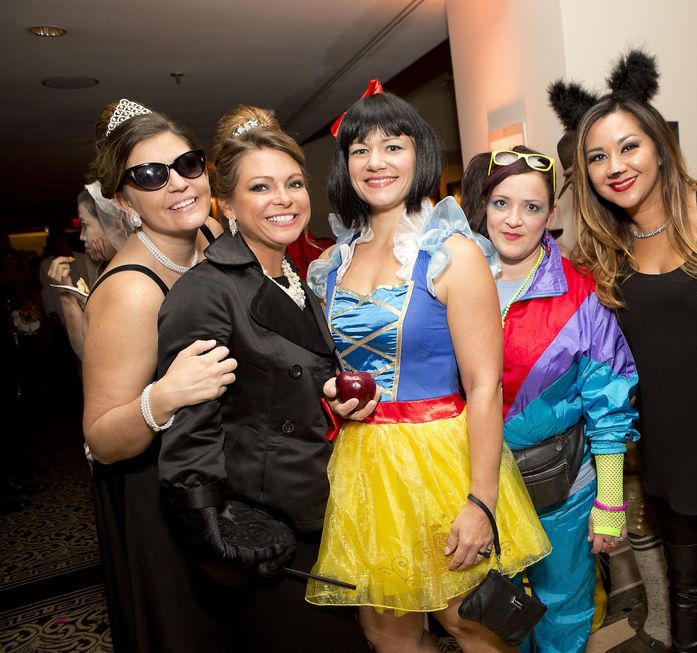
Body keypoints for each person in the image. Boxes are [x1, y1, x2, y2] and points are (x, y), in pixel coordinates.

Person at [304, 89, 550, 652]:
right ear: (345, 164)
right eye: (360, 150)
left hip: (442, 458)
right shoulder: (333, 262)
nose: (376, 162)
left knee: (472, 623)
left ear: (420, 157)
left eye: (394, 146)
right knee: (385, 632)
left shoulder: (452, 252)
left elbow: (486, 385)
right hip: (365, 466)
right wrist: (335, 394)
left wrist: (481, 501)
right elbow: (340, 364)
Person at [154, 106, 368, 651]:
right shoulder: (206, 292)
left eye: (294, 183)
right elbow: (191, 427)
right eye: (261, 187)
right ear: (226, 203)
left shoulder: (295, 276)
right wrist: (213, 532)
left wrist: (331, 397)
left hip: (325, 505)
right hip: (267, 528)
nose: (285, 199)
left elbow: (282, 379)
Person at [565, 49, 697, 653]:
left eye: (628, 147)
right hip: (672, 458)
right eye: (597, 156)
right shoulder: (604, 257)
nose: (615, 166)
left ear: (658, 144)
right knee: (688, 593)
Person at [461, 145, 639, 652]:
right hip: (472, 487)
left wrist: (608, 501)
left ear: (550, 215)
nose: (514, 220)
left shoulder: (580, 295)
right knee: (486, 613)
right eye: (501, 203)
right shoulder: (448, 282)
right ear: (481, 205)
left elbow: (610, 407)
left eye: (531, 207)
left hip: (560, 490)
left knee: (563, 606)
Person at [82, 98, 238, 653]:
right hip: (164, 499)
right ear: (124, 199)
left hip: (224, 473)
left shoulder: (211, 237)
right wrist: (164, 396)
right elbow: (101, 438)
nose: (178, 184)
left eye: (188, 165)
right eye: (151, 175)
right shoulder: (129, 290)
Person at [46, 185, 132, 357]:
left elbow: (90, 355)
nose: (82, 236)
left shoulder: (124, 281)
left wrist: (69, 298)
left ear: (113, 225)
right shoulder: (109, 271)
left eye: (85, 225)